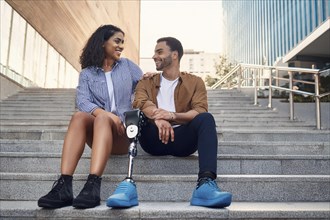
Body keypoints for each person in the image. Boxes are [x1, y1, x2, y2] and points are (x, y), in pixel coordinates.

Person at [106, 37, 232, 208]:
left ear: (174, 55)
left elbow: (199, 110)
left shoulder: (195, 82)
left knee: (206, 119)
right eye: (155, 52)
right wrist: (158, 117)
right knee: (133, 115)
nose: (154, 56)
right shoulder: (146, 81)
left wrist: (172, 116)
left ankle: (205, 185)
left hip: (183, 141)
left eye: (159, 52)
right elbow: (140, 102)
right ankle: (127, 185)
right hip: (153, 139)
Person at [37, 24, 143, 209]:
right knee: (80, 116)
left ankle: (93, 184)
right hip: (100, 133)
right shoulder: (87, 74)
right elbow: (83, 101)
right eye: (117, 41)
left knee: (101, 118)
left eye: (122, 43)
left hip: (123, 134)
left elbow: (145, 88)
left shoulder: (127, 66)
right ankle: (64, 185)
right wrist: (108, 115)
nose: (121, 46)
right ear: (103, 43)